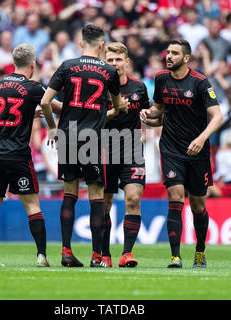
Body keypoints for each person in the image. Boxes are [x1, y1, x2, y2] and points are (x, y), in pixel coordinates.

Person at [40, 24, 128, 268]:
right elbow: (117, 106)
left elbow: (46, 102)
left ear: (81, 43)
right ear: (102, 45)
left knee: (69, 194)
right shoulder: (109, 71)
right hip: (92, 139)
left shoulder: (67, 65)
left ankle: (66, 252)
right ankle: (97, 255)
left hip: (67, 136)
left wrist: (52, 127)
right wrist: (116, 109)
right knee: (96, 196)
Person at [140, 39, 222, 268]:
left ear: (186, 58)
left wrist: (201, 138)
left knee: (198, 206)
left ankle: (199, 251)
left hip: (197, 151)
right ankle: (175, 257)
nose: (168, 56)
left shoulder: (200, 83)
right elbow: (160, 108)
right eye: (168, 52)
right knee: (175, 196)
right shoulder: (161, 79)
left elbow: (218, 116)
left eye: (174, 53)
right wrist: (149, 114)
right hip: (171, 148)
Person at [0, 44, 61, 268]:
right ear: (32, 65)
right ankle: (41, 256)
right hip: (17, 154)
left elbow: (11, 113)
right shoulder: (34, 87)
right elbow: (53, 107)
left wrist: (34, 112)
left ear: (14, 62)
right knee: (32, 205)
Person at [100, 42, 151, 268]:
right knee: (104, 204)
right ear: (104, 62)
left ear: (126, 62)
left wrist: (152, 119)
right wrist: (115, 110)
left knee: (133, 198)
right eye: (110, 60)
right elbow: (94, 120)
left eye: (118, 60)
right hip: (102, 149)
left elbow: (149, 113)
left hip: (132, 148)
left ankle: (127, 253)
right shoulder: (98, 88)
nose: (114, 64)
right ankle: (104, 254)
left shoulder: (139, 87)